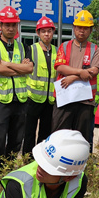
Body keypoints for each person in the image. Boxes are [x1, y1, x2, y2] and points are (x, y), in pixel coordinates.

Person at [0, 6, 32, 165]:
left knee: (16, 140)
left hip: (20, 101)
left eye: (14, 25)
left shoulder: (24, 47)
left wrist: (6, 64)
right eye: (7, 25)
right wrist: (19, 68)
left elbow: (30, 68)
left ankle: (10, 168)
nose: (11, 28)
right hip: (1, 101)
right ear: (0, 26)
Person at [52, 10, 99, 147]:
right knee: (59, 135)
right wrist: (81, 72)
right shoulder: (64, 46)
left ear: (91, 30)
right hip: (64, 99)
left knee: (82, 138)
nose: (82, 31)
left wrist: (73, 77)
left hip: (84, 101)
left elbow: (95, 70)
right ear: (74, 28)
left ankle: (82, 167)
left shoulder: (95, 49)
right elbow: (60, 67)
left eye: (86, 28)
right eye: (79, 27)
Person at [22, 16, 57, 156]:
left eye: (49, 31)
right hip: (33, 98)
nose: (47, 34)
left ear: (53, 32)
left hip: (50, 100)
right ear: (38, 33)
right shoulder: (31, 49)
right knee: (29, 132)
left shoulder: (57, 50)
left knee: (45, 133)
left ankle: (41, 158)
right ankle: (27, 158)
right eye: (43, 31)